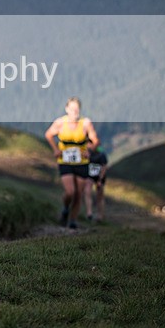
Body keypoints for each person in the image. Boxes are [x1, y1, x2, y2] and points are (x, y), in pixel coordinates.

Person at [44, 97, 99, 229]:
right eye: (72, 109)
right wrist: (56, 149)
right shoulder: (60, 123)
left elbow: (95, 141)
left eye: (77, 109)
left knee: (79, 194)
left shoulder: (86, 123)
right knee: (70, 191)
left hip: (82, 162)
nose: (75, 112)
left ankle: (72, 220)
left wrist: (89, 150)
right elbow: (49, 134)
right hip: (65, 161)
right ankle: (65, 207)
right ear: (67, 109)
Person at [84, 146, 108, 222]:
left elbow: (104, 167)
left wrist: (100, 180)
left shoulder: (101, 154)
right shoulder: (86, 152)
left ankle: (100, 216)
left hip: (99, 177)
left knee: (99, 196)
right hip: (89, 176)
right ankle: (89, 213)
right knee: (87, 192)